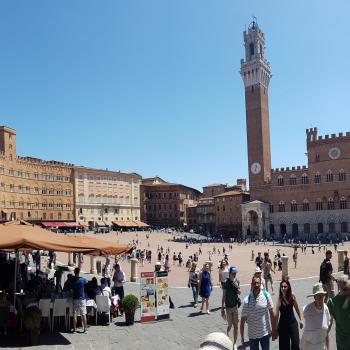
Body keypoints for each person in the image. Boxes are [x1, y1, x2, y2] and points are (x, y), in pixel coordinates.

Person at [240, 275, 276, 350]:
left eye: (258, 283)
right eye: (254, 283)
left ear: (260, 284)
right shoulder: (247, 300)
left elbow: (272, 314)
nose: (256, 285)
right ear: (251, 284)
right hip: (252, 336)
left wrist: (274, 330)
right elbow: (242, 321)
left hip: (265, 334)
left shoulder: (266, 295)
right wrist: (242, 338)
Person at [301, 283, 331, 350]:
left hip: (321, 347)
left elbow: (326, 332)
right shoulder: (307, 309)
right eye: (319, 296)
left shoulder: (326, 309)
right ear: (314, 297)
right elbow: (305, 332)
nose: (321, 298)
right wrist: (302, 320)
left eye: (322, 296)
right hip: (308, 347)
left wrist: (328, 348)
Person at [275, 277, 303, 350]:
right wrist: (275, 328)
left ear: (288, 287)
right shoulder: (279, 299)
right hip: (283, 325)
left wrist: (301, 319)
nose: (283, 288)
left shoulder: (292, 296)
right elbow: (276, 315)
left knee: (296, 345)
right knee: (284, 347)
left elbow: (297, 308)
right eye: (282, 287)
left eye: (285, 286)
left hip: (292, 323)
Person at [221, 266, 240, 350]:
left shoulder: (237, 281)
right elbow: (224, 295)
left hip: (235, 306)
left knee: (236, 325)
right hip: (228, 307)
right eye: (233, 273)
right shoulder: (225, 282)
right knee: (230, 325)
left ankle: (234, 343)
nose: (234, 274)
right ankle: (228, 337)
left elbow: (239, 292)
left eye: (235, 273)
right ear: (230, 273)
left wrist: (237, 287)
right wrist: (222, 308)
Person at [327, 280, 350, 350]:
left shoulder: (332, 301)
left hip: (341, 339)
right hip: (342, 339)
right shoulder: (332, 302)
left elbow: (330, 322)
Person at [72, 267, 88, 333]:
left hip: (75, 298)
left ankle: (75, 329)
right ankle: (85, 329)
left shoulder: (73, 280)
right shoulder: (82, 279)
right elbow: (86, 283)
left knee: (75, 314)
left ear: (74, 272)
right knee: (83, 314)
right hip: (82, 298)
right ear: (79, 272)